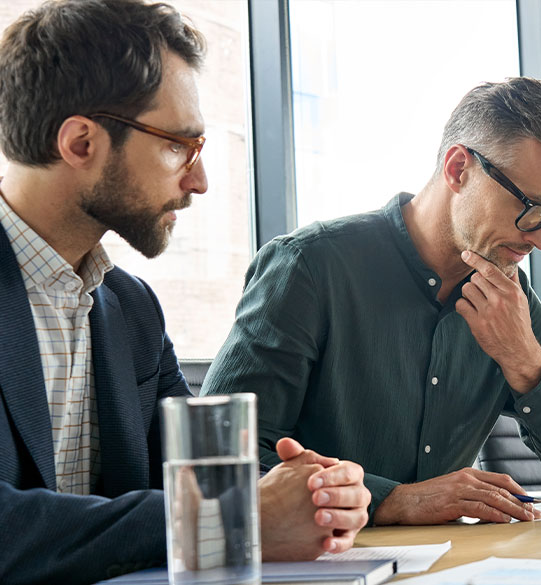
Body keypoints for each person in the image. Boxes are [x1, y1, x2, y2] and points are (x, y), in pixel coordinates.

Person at [0, 2, 369, 584]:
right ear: (80, 143)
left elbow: (197, 475)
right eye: (179, 145)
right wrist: (231, 517)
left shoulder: (132, 309)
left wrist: (316, 495)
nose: (199, 181)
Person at [202, 77, 541, 525]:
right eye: (531, 208)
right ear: (459, 169)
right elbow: (218, 455)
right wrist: (393, 499)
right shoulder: (309, 267)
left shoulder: (509, 297)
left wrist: (524, 360)